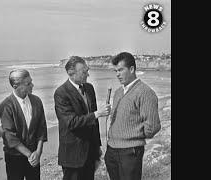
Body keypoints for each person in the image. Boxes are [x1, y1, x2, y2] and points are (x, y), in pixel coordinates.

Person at [104, 52, 161, 180]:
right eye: (115, 71)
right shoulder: (119, 92)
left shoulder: (145, 92)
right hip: (112, 150)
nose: (117, 74)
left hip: (130, 152)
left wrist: (133, 136)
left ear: (131, 69)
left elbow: (153, 126)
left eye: (120, 70)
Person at [54, 56, 111, 180]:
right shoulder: (61, 93)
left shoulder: (89, 88)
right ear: (71, 73)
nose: (88, 74)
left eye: (87, 70)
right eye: (84, 72)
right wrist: (98, 113)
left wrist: (97, 148)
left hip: (90, 153)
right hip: (72, 156)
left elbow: (94, 124)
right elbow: (71, 122)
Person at [0, 69, 48, 180]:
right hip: (14, 157)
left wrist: (38, 152)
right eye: (28, 83)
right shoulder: (6, 106)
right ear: (15, 86)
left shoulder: (37, 101)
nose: (32, 85)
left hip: (35, 154)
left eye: (31, 81)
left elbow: (42, 128)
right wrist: (30, 155)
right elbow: (10, 136)